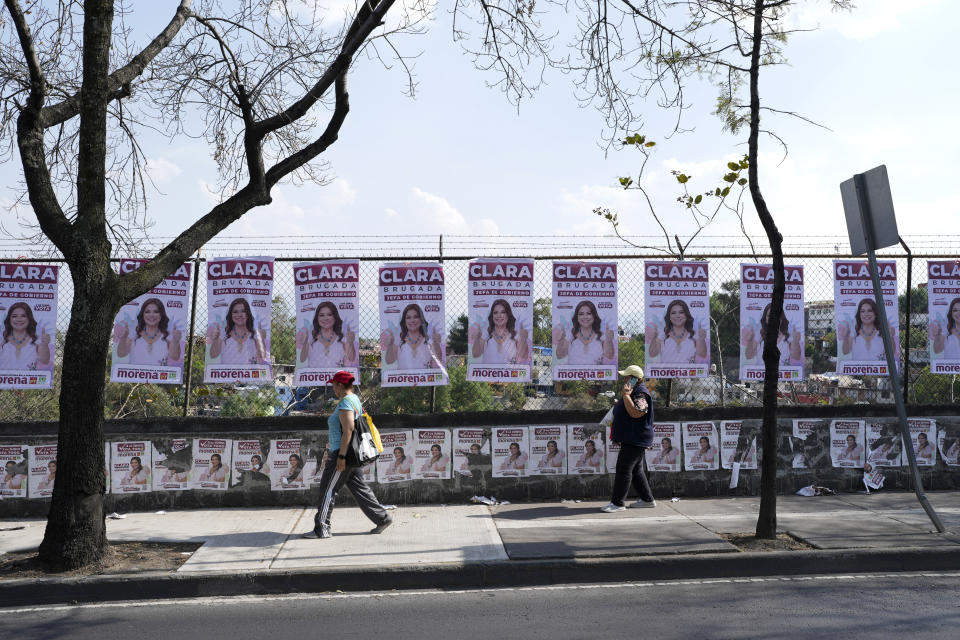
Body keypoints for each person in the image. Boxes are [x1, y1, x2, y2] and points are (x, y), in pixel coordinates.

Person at [304, 370, 392, 539]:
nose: (333, 389)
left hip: (342, 453)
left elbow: (349, 429)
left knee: (328, 489)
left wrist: (341, 457)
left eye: (334, 385)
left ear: (340, 385)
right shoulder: (355, 399)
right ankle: (383, 518)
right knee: (360, 488)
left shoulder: (345, 402)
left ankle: (322, 528)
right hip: (352, 453)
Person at [602, 365, 656, 512]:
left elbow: (638, 412)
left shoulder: (641, 393)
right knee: (636, 470)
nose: (624, 379)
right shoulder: (635, 391)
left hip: (635, 438)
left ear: (635, 379)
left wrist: (625, 396)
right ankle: (647, 499)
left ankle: (618, 503)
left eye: (627, 377)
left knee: (623, 469)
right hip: (633, 437)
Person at [115, 298, 181, 365]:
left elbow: (175, 357)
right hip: (134, 374)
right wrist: (123, 338)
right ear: (142, 314)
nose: (151, 315)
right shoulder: (133, 332)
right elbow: (121, 354)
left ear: (161, 314)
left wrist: (176, 341)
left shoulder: (168, 335)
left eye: (156, 312)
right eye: (147, 312)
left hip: (160, 375)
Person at [645, 299, 707, 365]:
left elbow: (702, 354)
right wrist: (655, 337)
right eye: (673, 313)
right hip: (665, 374)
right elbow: (652, 354)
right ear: (669, 316)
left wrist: (701, 338)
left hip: (689, 374)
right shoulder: (663, 334)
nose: (677, 315)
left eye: (681, 312)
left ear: (686, 314)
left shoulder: (693, 334)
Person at [382, 303, 443, 370]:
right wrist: (390, 346)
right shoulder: (398, 337)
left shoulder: (429, 338)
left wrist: (436, 343)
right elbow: (389, 361)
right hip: (403, 379)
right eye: (408, 318)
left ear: (421, 319)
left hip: (425, 379)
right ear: (404, 321)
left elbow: (439, 359)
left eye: (416, 317)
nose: (412, 321)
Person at [208, 298, 268, 365]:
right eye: (235, 312)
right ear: (231, 315)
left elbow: (262, 356)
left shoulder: (254, 332)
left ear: (248, 313)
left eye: (243, 311)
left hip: (249, 374)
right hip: (227, 373)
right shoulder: (224, 331)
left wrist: (260, 337)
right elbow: (213, 355)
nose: (239, 315)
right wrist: (216, 339)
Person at [298, 301, 357, 368]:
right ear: (317, 318)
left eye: (329, 314)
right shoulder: (311, 336)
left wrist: (350, 342)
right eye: (321, 315)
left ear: (335, 317)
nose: (325, 318)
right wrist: (305, 342)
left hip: (336, 377)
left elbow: (351, 358)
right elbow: (302, 359)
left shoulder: (342, 337)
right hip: (315, 377)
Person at [470, 299, 530, 365]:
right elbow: (475, 354)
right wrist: (477, 338)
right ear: (492, 315)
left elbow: (524, 355)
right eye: (495, 312)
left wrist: (523, 338)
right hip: (488, 374)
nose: (499, 315)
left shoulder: (515, 333)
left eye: (503, 312)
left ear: (508, 314)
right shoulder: (485, 332)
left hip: (509, 374)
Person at [554, 300, 615, 365]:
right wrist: (561, 340)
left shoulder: (601, 334)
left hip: (596, 374)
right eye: (581, 314)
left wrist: (609, 340)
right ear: (577, 317)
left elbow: (610, 356)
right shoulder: (570, 333)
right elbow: (560, 356)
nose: (585, 317)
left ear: (594, 315)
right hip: (574, 373)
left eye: (589, 313)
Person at [0, 302, 51, 371]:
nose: (19, 319)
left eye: (23, 316)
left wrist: (45, 344)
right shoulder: (2, 337)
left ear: (29, 318)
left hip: (28, 381)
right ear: (9, 319)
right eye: (14, 316)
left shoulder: (36, 338)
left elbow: (44, 361)